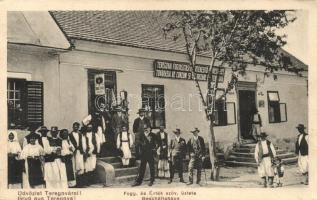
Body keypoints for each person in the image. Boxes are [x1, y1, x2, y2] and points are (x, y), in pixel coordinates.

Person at [69, 122, 85, 187]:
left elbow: (83, 143)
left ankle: (80, 183)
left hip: (79, 152)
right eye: (74, 127)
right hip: (74, 152)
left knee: (80, 166)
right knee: (74, 166)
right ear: (72, 127)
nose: (75, 128)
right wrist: (73, 149)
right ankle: (74, 183)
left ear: (78, 127)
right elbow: (69, 144)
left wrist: (83, 150)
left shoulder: (80, 134)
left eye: (77, 127)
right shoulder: (70, 135)